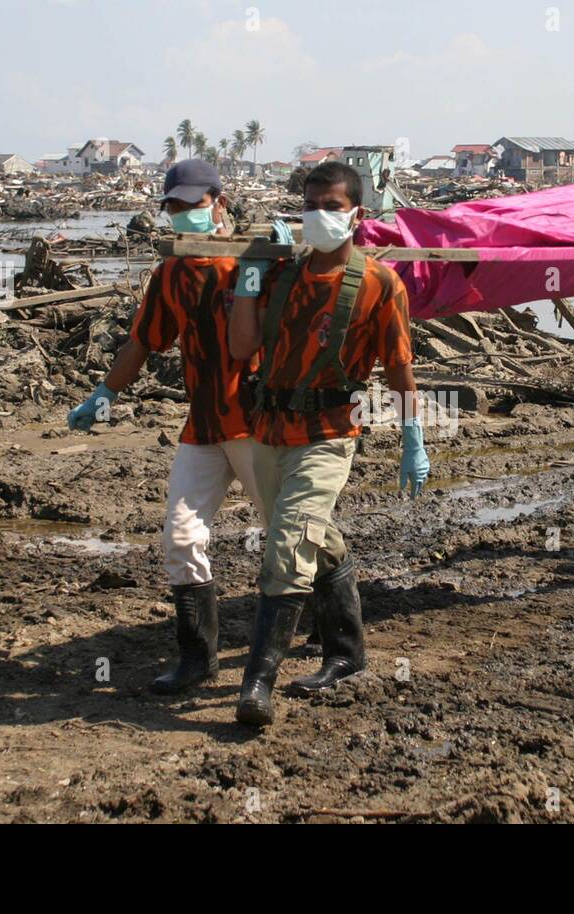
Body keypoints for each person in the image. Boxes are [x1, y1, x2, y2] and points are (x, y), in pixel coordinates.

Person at [227, 161, 429, 726]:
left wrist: (413, 437)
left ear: (356, 214)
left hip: (328, 435)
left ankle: (257, 685)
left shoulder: (377, 284)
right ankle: (347, 651)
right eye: (311, 205)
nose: (319, 216)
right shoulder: (282, 275)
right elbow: (243, 349)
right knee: (312, 537)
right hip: (269, 432)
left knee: (288, 547)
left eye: (332, 207)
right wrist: (246, 284)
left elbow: (399, 369)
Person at [68, 159, 265, 694]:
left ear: (219, 205)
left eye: (193, 206)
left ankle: (334, 631)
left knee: (292, 537)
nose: (183, 216)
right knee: (181, 536)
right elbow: (143, 341)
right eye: (174, 207)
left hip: (256, 424)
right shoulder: (171, 273)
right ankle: (198, 658)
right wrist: (106, 392)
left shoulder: (254, 264)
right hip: (203, 425)